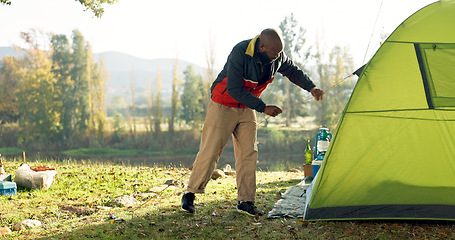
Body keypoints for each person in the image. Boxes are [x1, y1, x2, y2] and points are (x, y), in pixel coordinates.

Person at [181, 28, 324, 216]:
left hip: (247, 107)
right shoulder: (240, 52)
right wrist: (263, 107)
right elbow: (234, 89)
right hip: (223, 104)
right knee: (211, 151)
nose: (277, 56)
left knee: (249, 153)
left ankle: (245, 201)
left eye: (279, 52)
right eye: (274, 52)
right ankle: (190, 194)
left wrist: (311, 87)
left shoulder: (277, 57)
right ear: (262, 46)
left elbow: (293, 71)